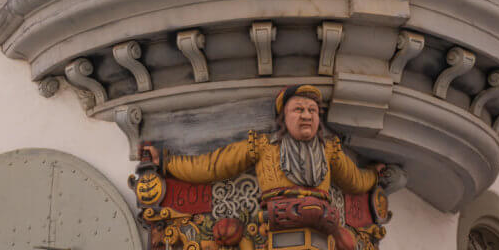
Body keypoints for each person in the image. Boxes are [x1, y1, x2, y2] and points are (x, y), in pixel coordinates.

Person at [142, 84, 382, 199]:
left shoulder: (330, 151)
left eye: (312, 110)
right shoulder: (263, 146)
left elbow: (355, 180)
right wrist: (167, 162)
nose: (307, 116)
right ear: (283, 118)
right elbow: (212, 166)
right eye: (298, 109)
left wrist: (376, 175)